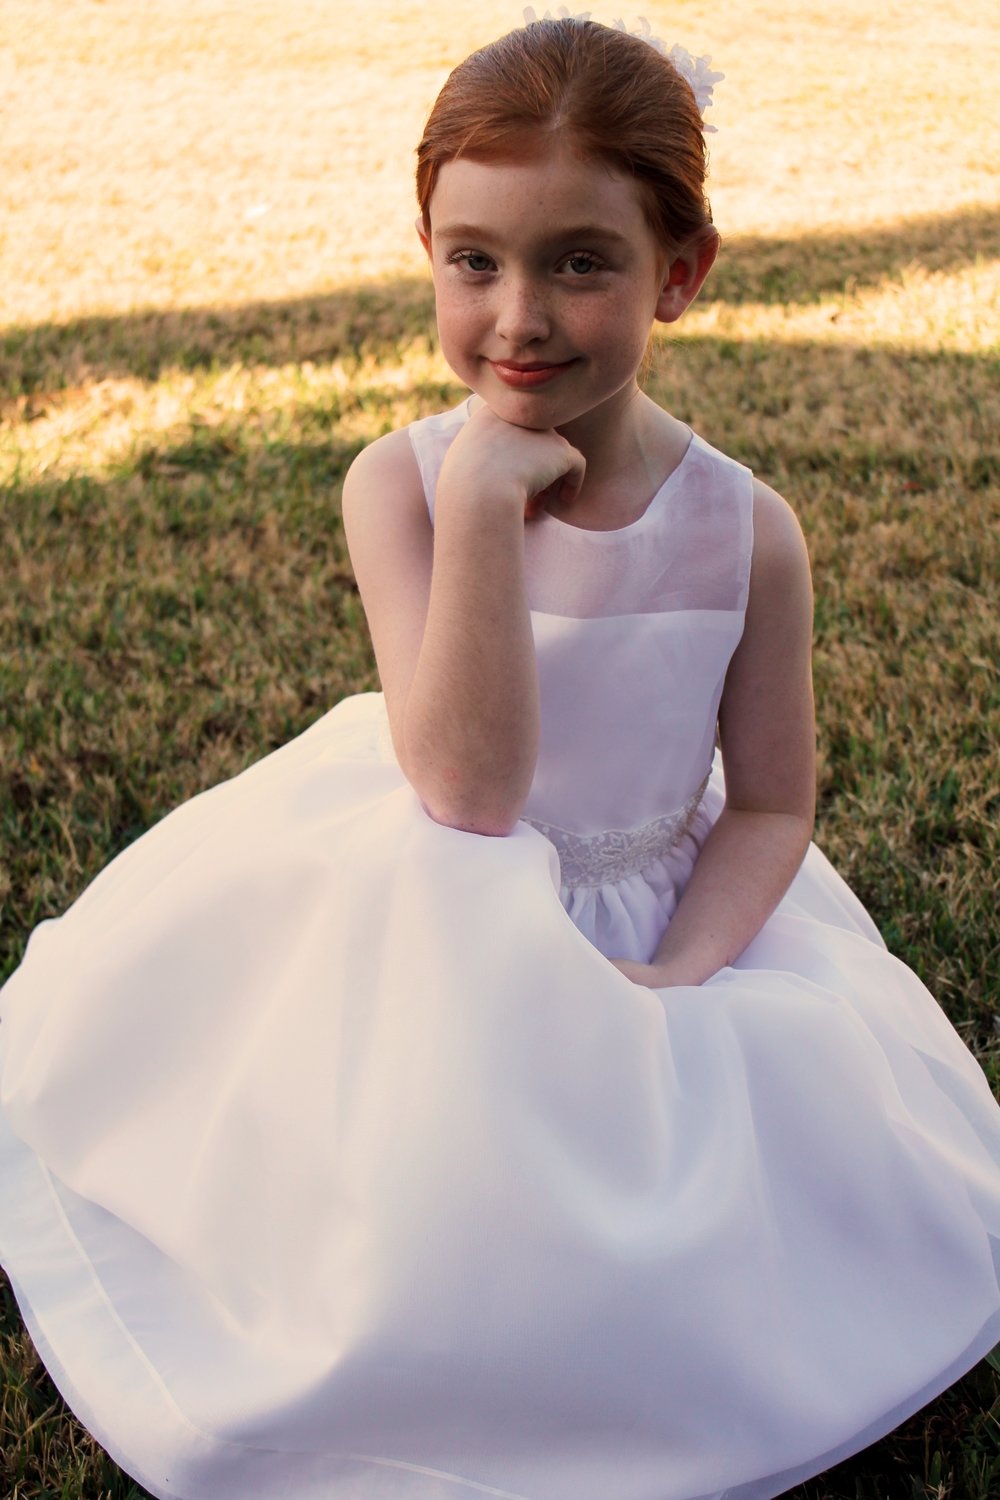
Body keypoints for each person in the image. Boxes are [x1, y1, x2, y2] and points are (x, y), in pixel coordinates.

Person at [1, 14, 998, 1500]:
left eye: (581, 262)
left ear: (682, 271)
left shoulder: (746, 530)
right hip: (437, 900)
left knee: (680, 1211)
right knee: (431, 1205)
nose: (517, 316)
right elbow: (466, 792)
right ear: (427, 248)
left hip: (668, 906)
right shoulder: (397, 485)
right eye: (473, 261)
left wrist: (684, 978)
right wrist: (478, 507)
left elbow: (775, 798)